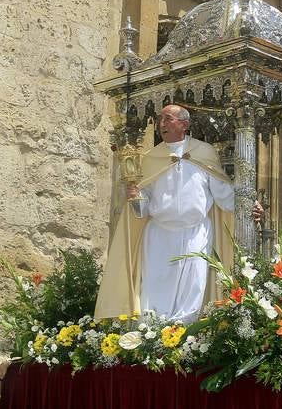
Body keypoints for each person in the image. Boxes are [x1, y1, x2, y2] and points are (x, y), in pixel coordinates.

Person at [94, 105, 236, 322]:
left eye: (168, 119)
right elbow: (142, 208)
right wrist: (134, 197)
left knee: (194, 284)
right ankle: (153, 336)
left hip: (196, 233)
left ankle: (186, 336)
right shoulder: (152, 157)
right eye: (161, 119)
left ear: (184, 125)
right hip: (159, 234)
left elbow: (224, 195)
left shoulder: (204, 152)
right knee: (156, 285)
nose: (162, 124)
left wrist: (249, 205)